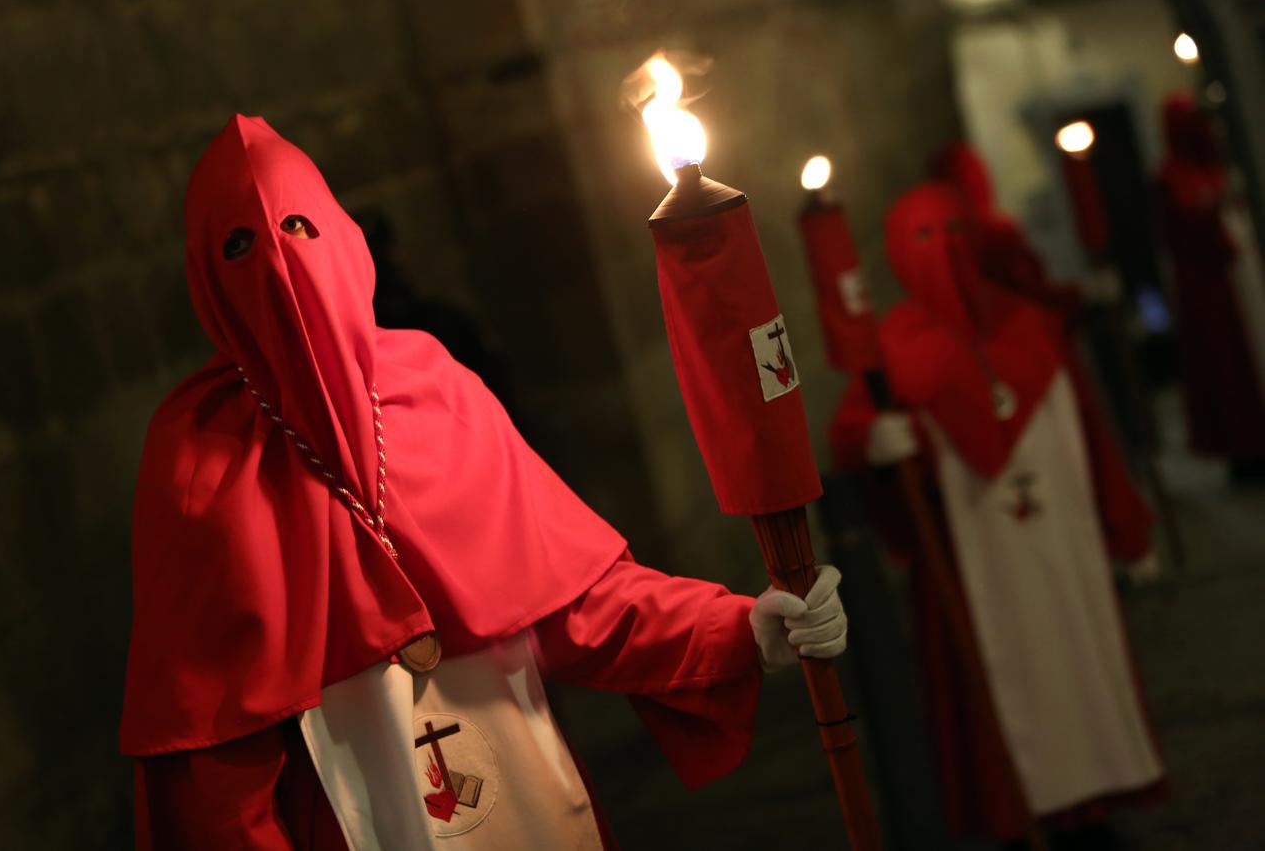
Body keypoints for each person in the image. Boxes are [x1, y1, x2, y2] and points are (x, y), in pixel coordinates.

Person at [120, 114, 848, 850]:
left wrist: (738, 627)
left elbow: (578, 608)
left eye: (298, 228)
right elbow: (213, 768)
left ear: (340, 237)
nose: (279, 266)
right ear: (206, 278)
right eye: (239, 246)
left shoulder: (433, 386)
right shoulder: (197, 461)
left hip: (530, 799)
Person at [829, 183, 1166, 844]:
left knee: (1075, 661)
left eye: (955, 230)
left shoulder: (1029, 324)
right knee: (1004, 686)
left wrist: (1126, 523)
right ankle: (1020, 818)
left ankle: (1092, 807)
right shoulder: (892, 352)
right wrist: (874, 440)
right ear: (900, 254)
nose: (946, 250)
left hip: (1060, 546)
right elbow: (852, 430)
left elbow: (1089, 429)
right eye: (925, 238)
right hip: (974, 559)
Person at [934, 142, 1155, 570]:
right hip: (1040, 359)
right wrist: (1082, 297)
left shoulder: (960, 241)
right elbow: (1030, 302)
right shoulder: (994, 236)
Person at [1157, 92, 1265, 481]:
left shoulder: (1215, 167)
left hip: (1238, 278)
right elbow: (1185, 230)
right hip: (1212, 288)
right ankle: (1245, 448)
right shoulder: (1172, 178)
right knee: (1228, 366)